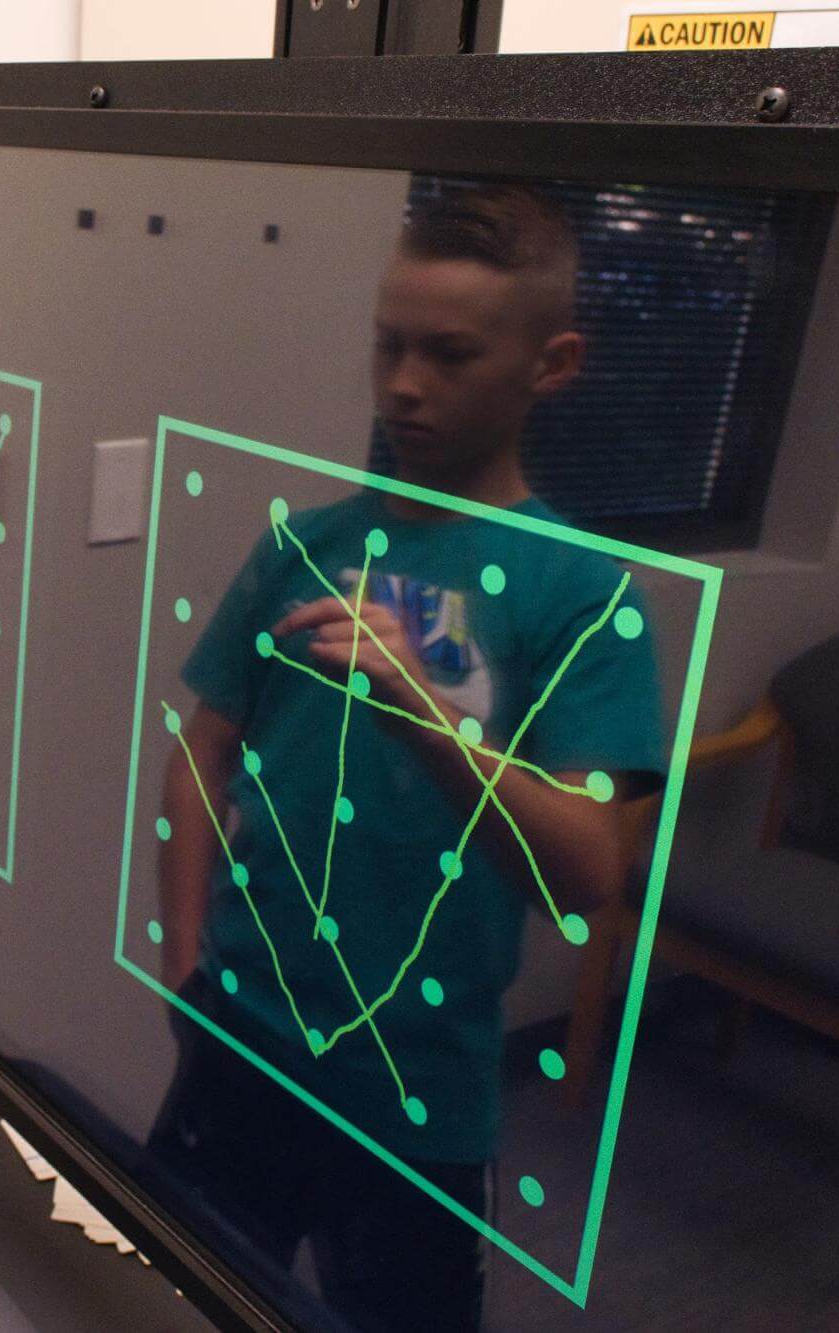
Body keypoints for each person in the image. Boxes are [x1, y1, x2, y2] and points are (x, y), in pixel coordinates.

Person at [147, 183, 666, 1330]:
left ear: (552, 363)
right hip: (240, 1040)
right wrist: (184, 958)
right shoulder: (305, 546)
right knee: (165, 1300)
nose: (403, 385)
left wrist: (423, 714)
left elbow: (588, 876)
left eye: (449, 353)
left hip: (415, 1093)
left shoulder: (583, 592)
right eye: (387, 345)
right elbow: (203, 749)